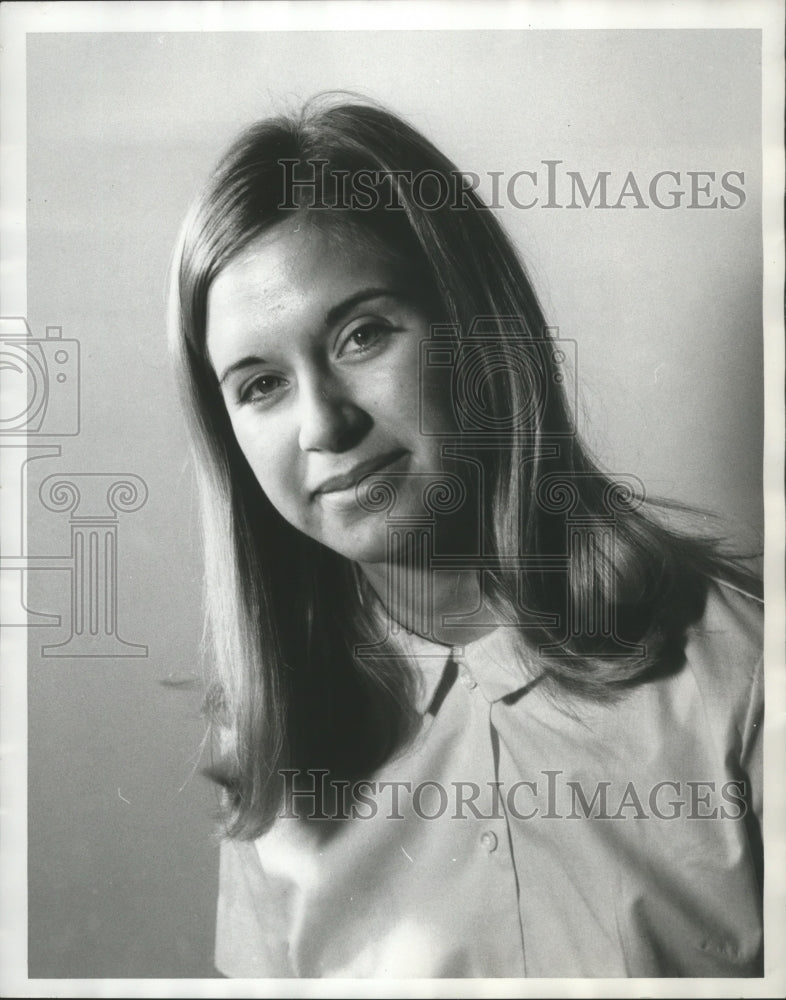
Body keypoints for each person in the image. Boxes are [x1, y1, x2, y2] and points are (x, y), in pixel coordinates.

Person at [168, 96, 763, 978]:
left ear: (479, 330)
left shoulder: (746, 681)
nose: (324, 424)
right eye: (260, 386)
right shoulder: (277, 749)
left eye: (361, 334)